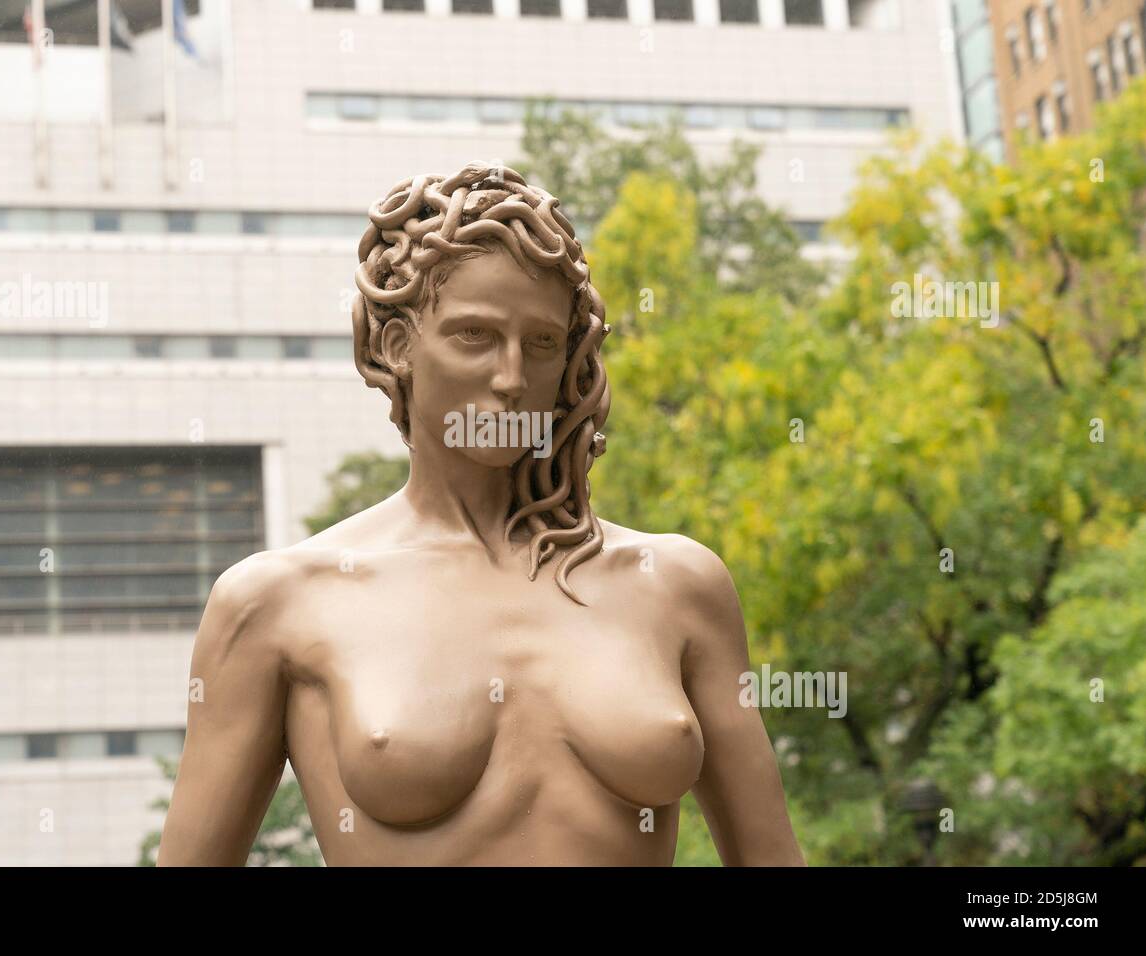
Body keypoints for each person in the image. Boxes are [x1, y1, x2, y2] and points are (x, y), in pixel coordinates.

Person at [157, 161, 805, 866]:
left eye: (542, 344)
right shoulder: (278, 603)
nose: (509, 378)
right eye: (474, 336)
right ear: (398, 346)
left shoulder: (676, 584)